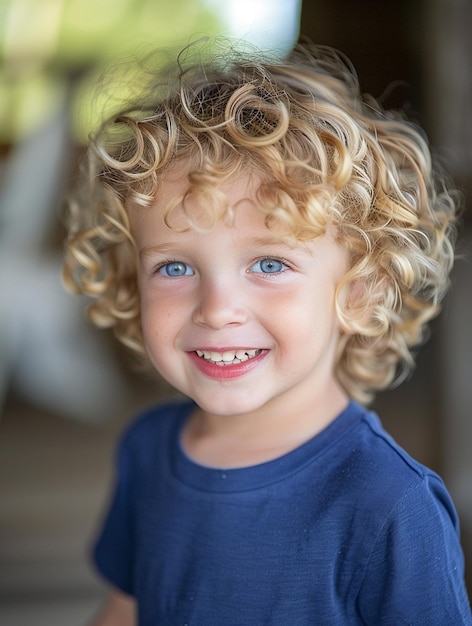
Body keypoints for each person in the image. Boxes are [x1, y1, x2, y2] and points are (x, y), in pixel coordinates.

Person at [63, 41, 471, 625]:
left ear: (357, 289)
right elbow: (124, 610)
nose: (218, 308)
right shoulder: (148, 452)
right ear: (132, 281)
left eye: (270, 264)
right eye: (174, 267)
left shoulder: (389, 506)